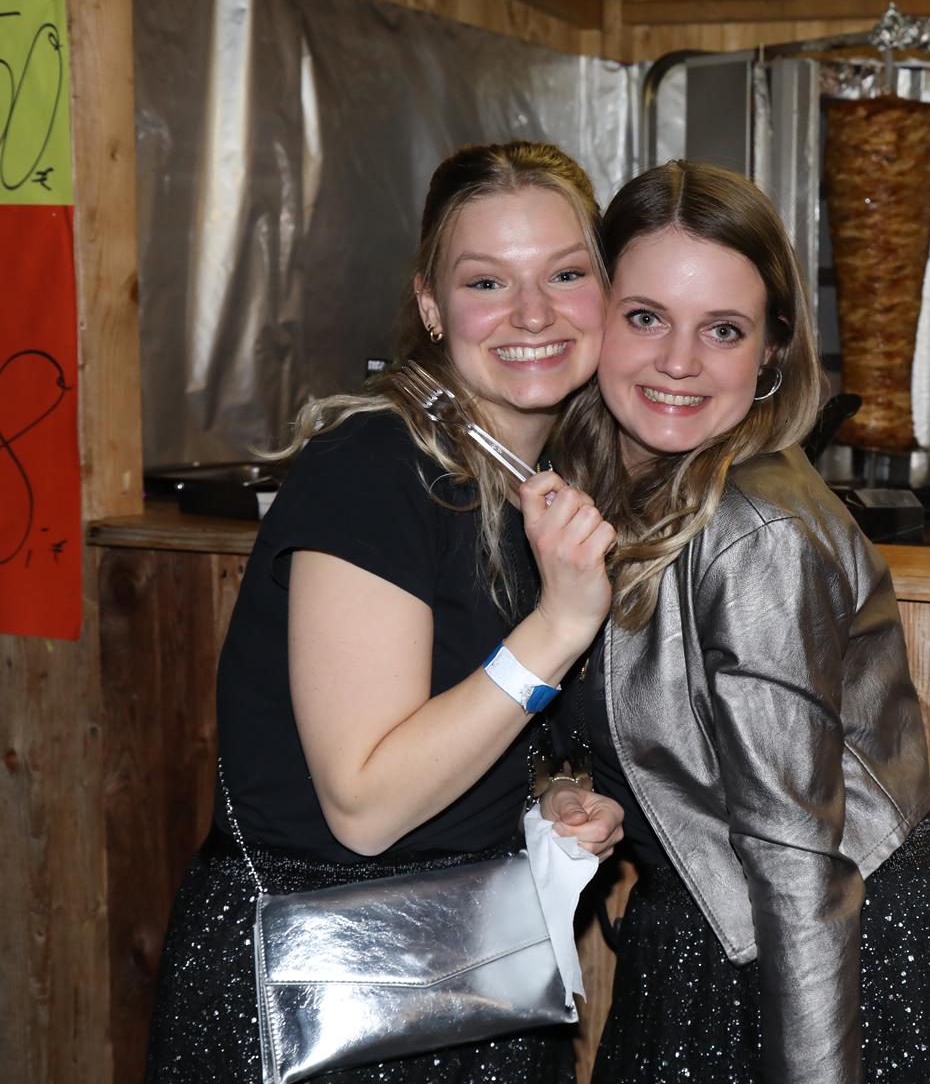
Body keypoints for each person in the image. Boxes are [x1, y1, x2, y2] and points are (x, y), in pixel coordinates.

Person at [146, 140, 624, 1083]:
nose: (534, 312)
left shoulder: (526, 479)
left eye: (566, 274)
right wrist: (559, 629)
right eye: (487, 282)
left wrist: (544, 795)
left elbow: (455, 723)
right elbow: (364, 806)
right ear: (431, 307)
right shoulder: (371, 469)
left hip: (474, 978)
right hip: (314, 1006)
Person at [548, 160, 930, 1083]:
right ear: (597, 315)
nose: (678, 361)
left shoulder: (752, 529)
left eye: (723, 330)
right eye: (645, 317)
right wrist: (565, 788)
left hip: (837, 965)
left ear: (771, 351)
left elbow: (797, 857)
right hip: (725, 936)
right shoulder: (618, 498)